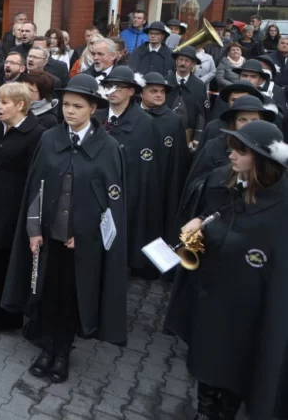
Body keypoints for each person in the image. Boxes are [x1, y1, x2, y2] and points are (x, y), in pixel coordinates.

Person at [3, 73, 128, 384]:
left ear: (93, 108)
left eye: (78, 106)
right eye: (66, 105)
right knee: (44, 291)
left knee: (72, 297)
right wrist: (34, 230)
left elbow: (110, 203)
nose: (69, 112)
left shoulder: (108, 147)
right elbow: (35, 188)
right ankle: (45, 346)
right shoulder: (49, 139)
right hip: (47, 238)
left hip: (80, 244)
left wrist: (83, 234)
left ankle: (63, 351)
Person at [164, 120, 288, 420]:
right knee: (207, 356)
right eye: (233, 147)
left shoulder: (280, 207)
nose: (231, 154)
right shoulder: (229, 181)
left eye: (241, 150)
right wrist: (202, 223)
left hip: (249, 307)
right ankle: (205, 410)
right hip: (213, 293)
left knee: (237, 364)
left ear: (263, 159)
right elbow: (220, 215)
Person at [0, 82, 45, 329]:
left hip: (12, 208)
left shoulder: (36, 134)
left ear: (21, 105)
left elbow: (34, 179)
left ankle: (7, 316)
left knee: (5, 262)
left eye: (4, 103)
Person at [98, 66, 163, 275]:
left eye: (120, 86)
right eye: (109, 85)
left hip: (127, 189)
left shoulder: (145, 122)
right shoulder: (96, 116)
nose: (113, 90)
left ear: (132, 91)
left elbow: (147, 164)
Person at [140, 72, 190, 241]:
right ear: (141, 92)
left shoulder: (173, 120)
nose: (159, 95)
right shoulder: (132, 116)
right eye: (153, 91)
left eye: (162, 91)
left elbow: (179, 160)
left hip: (162, 185)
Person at [166, 46, 209, 148]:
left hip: (187, 137)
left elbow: (201, 114)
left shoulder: (199, 85)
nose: (182, 63)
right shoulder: (166, 81)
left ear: (192, 64)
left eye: (187, 60)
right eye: (180, 59)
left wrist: (197, 138)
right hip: (165, 132)